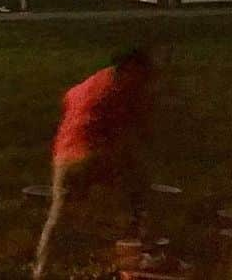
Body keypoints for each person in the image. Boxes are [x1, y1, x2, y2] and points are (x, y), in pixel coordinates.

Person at [33, 48, 156, 279]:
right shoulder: (118, 90)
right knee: (133, 190)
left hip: (63, 154)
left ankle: (42, 270)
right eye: (143, 74)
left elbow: (68, 98)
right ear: (130, 69)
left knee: (58, 215)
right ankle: (136, 248)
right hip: (88, 154)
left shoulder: (95, 81)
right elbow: (128, 131)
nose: (145, 81)